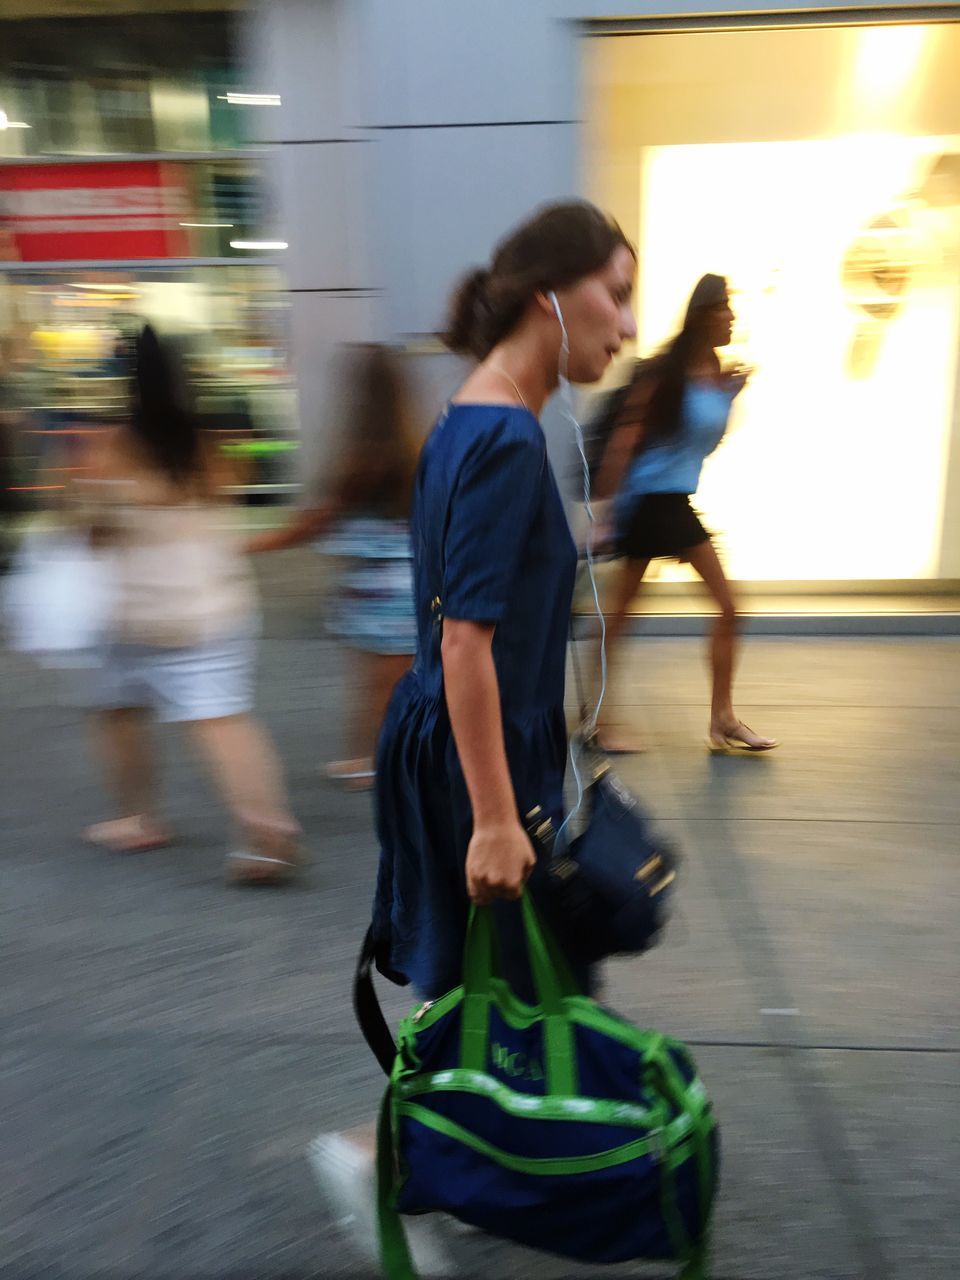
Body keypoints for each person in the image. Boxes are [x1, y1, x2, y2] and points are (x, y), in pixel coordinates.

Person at [309, 200, 637, 1264]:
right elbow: (466, 645)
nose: (626, 326)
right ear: (551, 293)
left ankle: (428, 1161)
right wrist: (497, 816)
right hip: (476, 753)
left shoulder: (473, 415)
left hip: (462, 741)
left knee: (513, 973)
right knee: (503, 975)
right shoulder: (500, 435)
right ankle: (384, 1158)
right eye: (616, 294)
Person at [74, 324, 301, 884]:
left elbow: (90, 530)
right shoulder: (210, 444)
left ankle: (141, 816)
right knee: (221, 721)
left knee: (119, 710)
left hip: (142, 613)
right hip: (219, 605)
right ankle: (266, 827)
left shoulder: (111, 448)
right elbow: (227, 504)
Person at [594, 273, 778, 754]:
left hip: (673, 499)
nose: (733, 318)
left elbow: (703, 448)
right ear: (704, 316)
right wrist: (608, 512)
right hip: (652, 503)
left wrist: (729, 397)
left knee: (622, 617)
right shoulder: (664, 373)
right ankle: (712, 720)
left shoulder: (714, 375)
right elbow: (624, 443)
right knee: (723, 606)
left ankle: (718, 719)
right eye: (726, 309)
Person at [247, 344, 417, 790]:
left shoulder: (361, 458)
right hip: (409, 586)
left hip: (377, 592)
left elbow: (317, 520)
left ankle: (375, 762)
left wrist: (256, 544)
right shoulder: (417, 449)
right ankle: (370, 758)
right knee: (392, 683)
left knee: (378, 685)